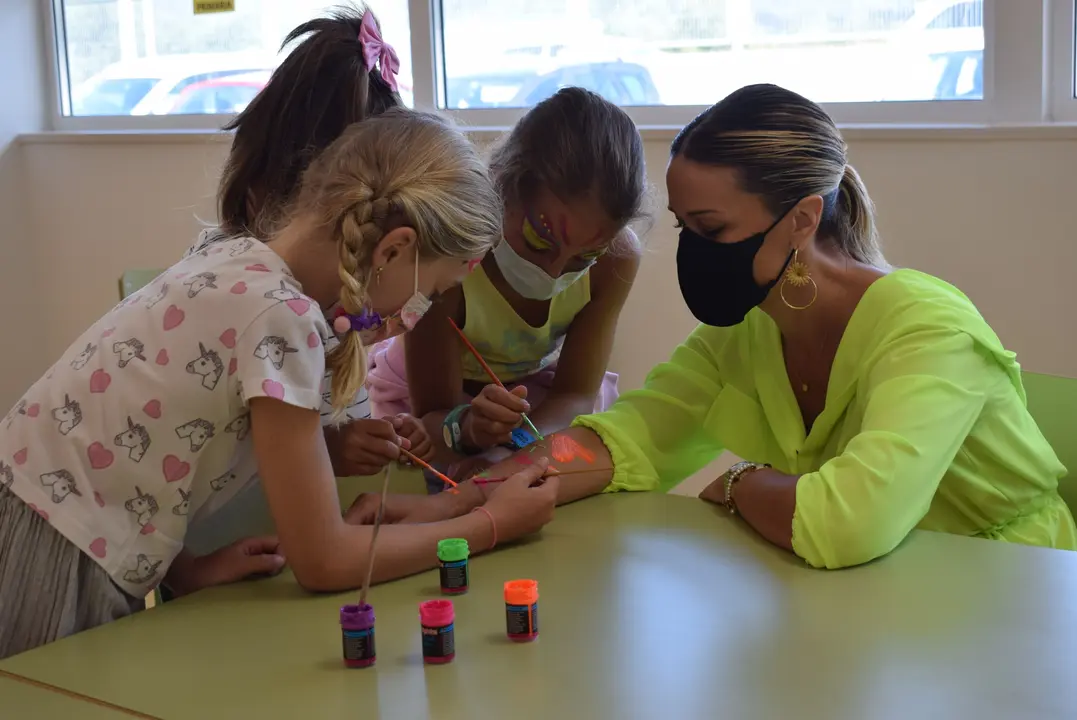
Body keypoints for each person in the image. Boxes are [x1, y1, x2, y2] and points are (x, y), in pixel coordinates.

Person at [360, 83, 1076, 569]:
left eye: (710, 228)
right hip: (873, 589)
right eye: (682, 227)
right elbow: (619, 441)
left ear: (799, 219)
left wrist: (738, 484)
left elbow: (847, 523)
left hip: (1011, 586)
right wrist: (453, 507)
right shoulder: (748, 329)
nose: (694, 252)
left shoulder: (926, 329)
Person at [0, 110, 559, 659]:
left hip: (39, 523)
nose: (420, 312)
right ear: (393, 252)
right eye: (431, 291)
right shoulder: (281, 321)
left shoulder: (233, 256)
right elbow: (325, 561)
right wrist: (490, 524)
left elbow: (134, 437)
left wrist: (188, 568)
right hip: (50, 560)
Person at [365, 87, 647, 487]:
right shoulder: (453, 258)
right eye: (538, 238)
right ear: (502, 187)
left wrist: (513, 448)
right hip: (436, 407)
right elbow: (433, 414)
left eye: (585, 256)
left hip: (537, 405)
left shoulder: (616, 260)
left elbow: (575, 395)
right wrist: (471, 430)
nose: (554, 270)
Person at [188, 5, 422, 479]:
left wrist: (370, 436)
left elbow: (324, 421)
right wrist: (331, 450)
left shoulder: (326, 298)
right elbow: (243, 444)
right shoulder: (262, 299)